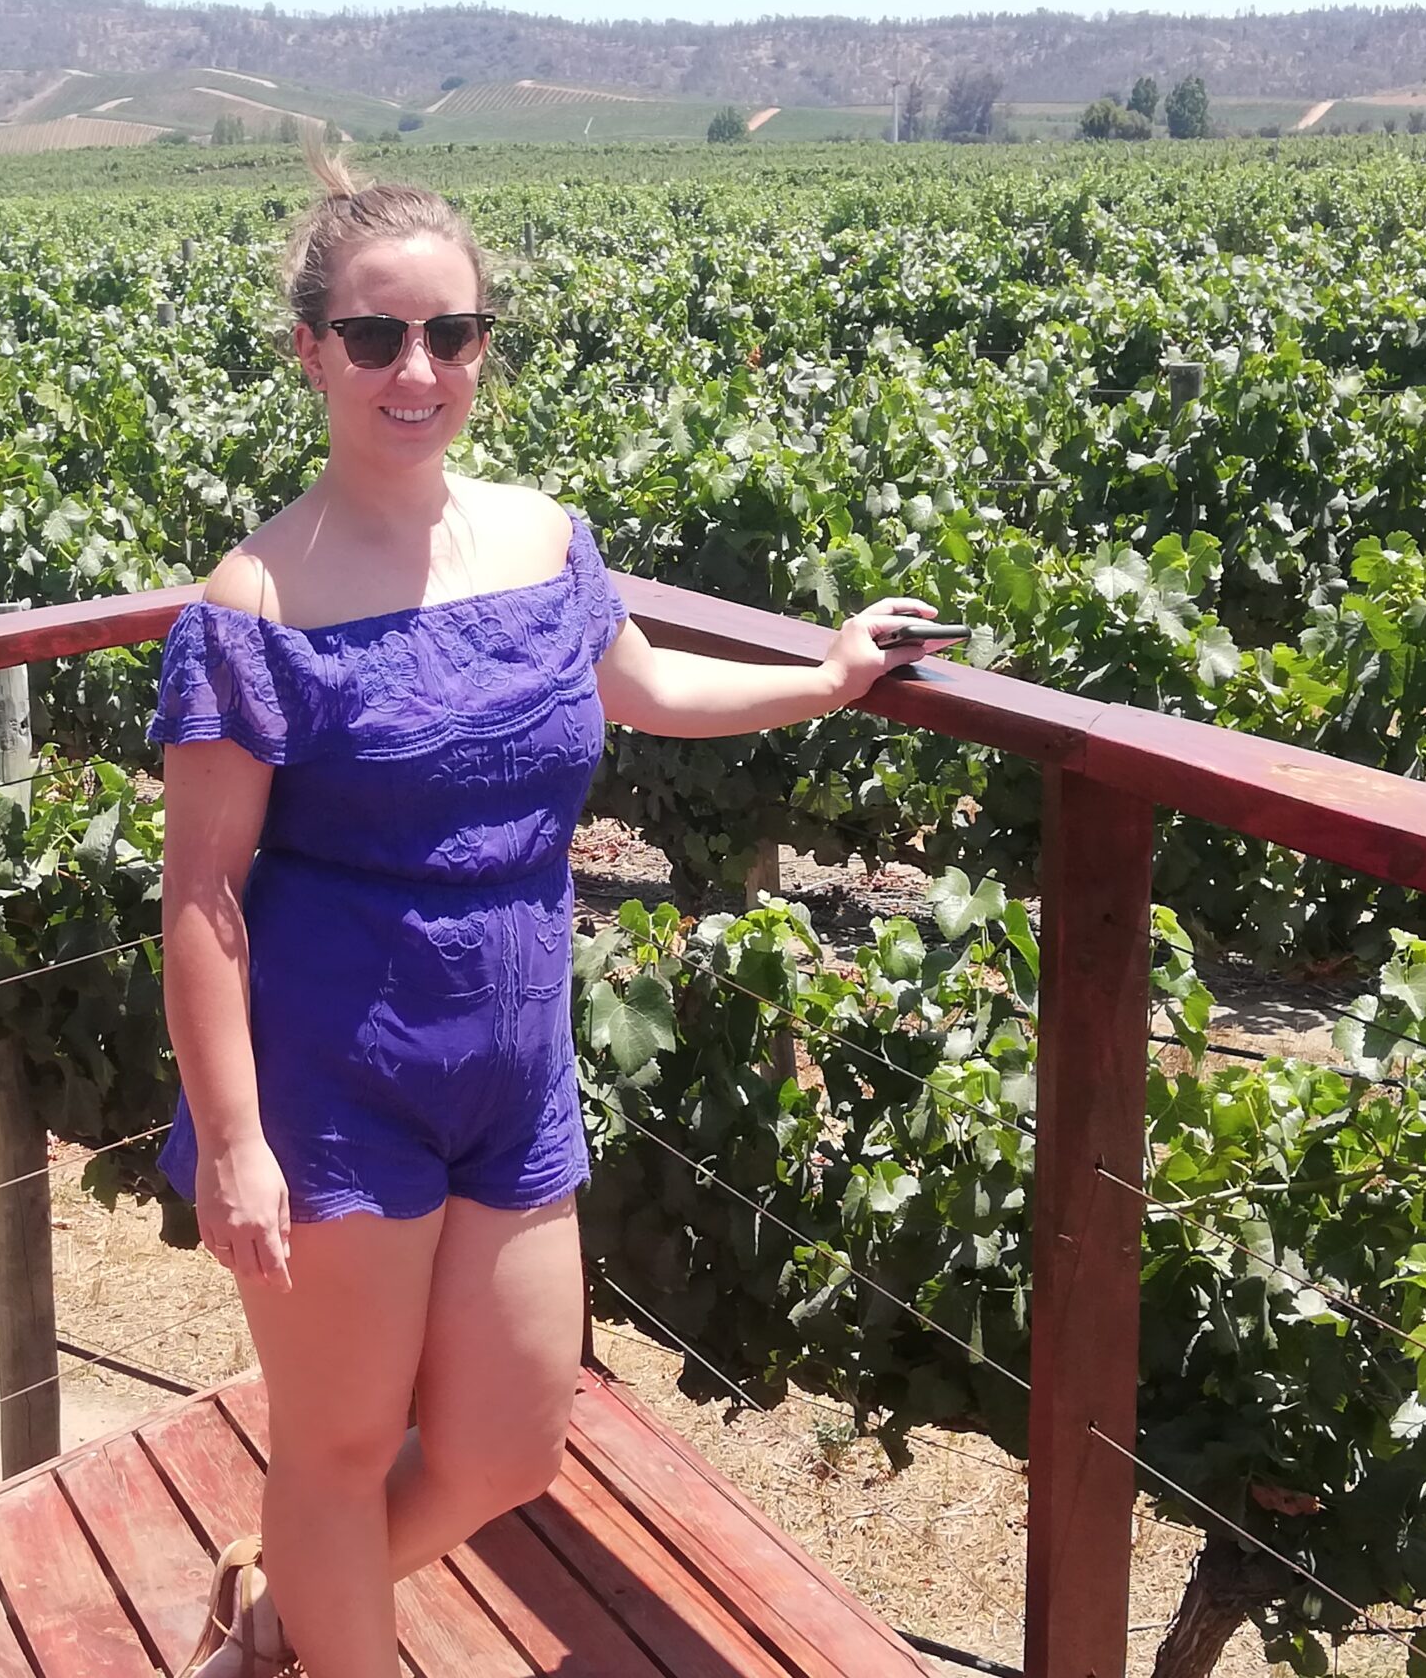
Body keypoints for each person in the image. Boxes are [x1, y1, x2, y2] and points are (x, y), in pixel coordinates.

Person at [150, 141, 953, 1678]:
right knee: (336, 1452)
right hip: (332, 1084)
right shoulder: (253, 604)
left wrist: (829, 674)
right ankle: (323, 1629)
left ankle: (282, 1610)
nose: (417, 370)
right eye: (376, 336)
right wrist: (236, 1143)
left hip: (512, 1064)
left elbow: (644, 688)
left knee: (510, 1446)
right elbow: (201, 896)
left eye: (450, 333)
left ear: (481, 349)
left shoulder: (544, 539)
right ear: (311, 351)